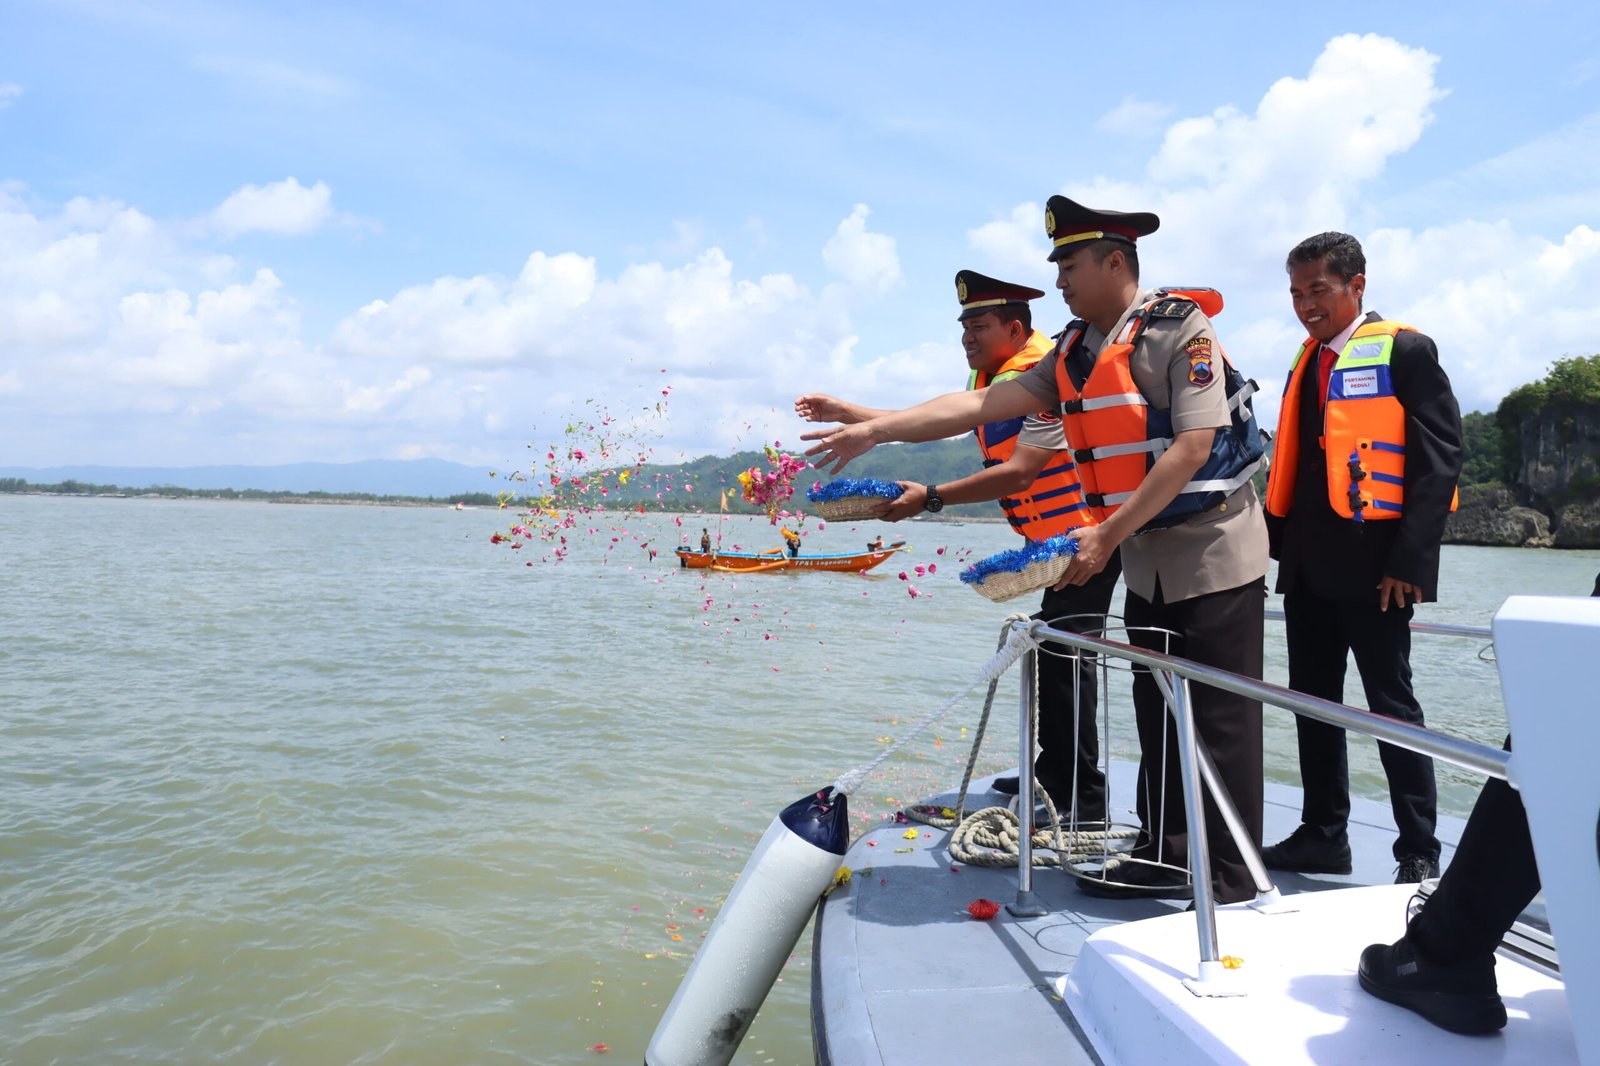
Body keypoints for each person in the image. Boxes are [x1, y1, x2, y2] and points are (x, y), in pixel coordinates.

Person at [801, 196, 1270, 904]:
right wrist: (880, 428)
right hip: (1146, 559)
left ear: (1116, 261)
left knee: (1218, 720)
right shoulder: (1076, 351)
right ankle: (1167, 855)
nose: (1060, 282)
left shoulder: (1181, 331)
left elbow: (1192, 446)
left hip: (1213, 549)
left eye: (1071, 265)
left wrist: (1107, 532)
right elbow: (979, 407)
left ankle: (1229, 879)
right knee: (1157, 710)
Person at [797, 269, 1123, 825]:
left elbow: (1019, 474)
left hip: (1086, 537)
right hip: (1048, 542)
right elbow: (944, 419)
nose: (967, 337)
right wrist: (849, 414)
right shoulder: (996, 373)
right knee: (1053, 652)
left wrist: (931, 498)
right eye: (964, 326)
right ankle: (1053, 770)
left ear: (1016, 329)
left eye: (979, 325)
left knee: (1070, 659)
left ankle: (1081, 798)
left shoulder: (1047, 379)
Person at [1260, 232, 1464, 885]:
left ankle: (1419, 849)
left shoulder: (1406, 349)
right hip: (1309, 563)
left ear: (1357, 285)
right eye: (1296, 292)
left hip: (1380, 567)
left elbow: (1440, 460)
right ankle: (1324, 833)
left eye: (1318, 289)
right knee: (1313, 701)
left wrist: (1410, 561)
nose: (1305, 305)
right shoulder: (1305, 361)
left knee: (1390, 705)